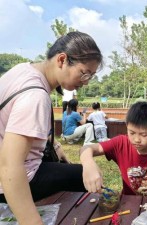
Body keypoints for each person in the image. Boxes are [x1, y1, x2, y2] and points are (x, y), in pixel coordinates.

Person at [0, 31, 103, 224]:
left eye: (91, 76)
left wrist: (55, 146)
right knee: (84, 175)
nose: (86, 82)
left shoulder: (23, 70)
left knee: (70, 170)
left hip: (25, 166)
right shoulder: (35, 96)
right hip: (10, 183)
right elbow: (9, 167)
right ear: (62, 60)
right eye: (84, 73)